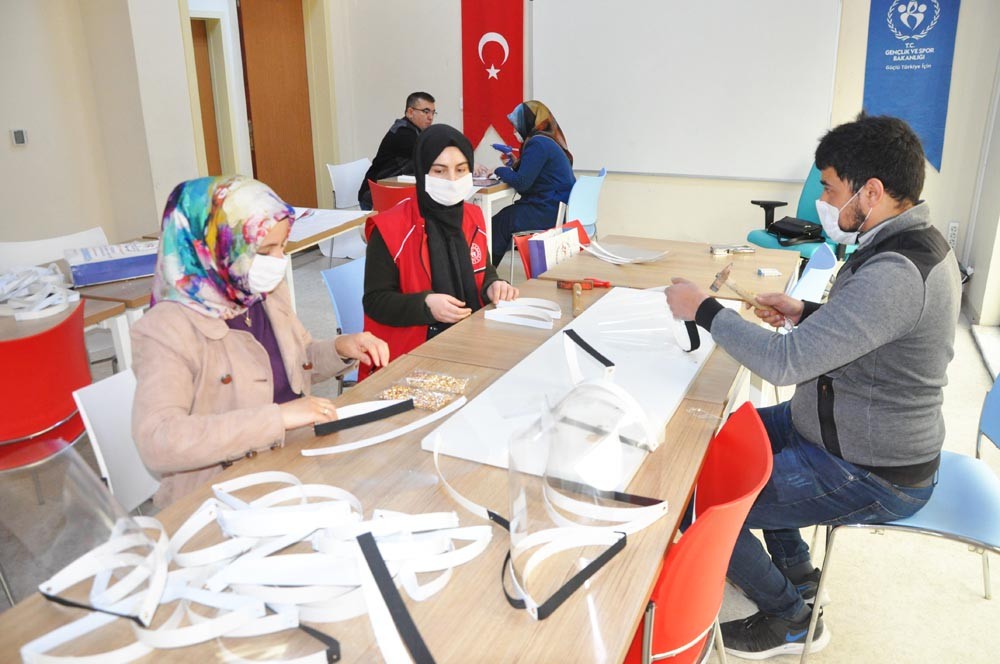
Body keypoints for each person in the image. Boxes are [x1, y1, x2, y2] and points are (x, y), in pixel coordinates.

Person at [666, 114, 961, 659]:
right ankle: (798, 575)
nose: (822, 200)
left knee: (700, 501)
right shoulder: (904, 240)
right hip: (836, 426)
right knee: (720, 446)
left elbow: (783, 364)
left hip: (873, 467)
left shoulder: (897, 270)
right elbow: (872, 325)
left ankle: (791, 619)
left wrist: (704, 309)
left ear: (871, 192)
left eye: (829, 188)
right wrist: (807, 311)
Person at [131, 176, 389, 507]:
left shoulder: (260, 291)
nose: (278, 260)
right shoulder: (168, 327)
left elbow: (298, 360)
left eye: (282, 247)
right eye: (265, 250)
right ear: (216, 247)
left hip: (292, 462)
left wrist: (340, 348)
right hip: (221, 495)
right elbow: (159, 441)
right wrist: (277, 419)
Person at [362, 124, 518, 378]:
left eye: (461, 170)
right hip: (415, 352)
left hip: (472, 339)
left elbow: (484, 268)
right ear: (422, 171)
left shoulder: (473, 216)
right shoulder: (390, 228)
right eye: (439, 171)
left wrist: (493, 285)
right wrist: (426, 305)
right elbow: (375, 301)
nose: (452, 180)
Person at [487, 100, 576, 266]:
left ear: (528, 122)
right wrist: (515, 164)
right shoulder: (548, 140)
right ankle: (488, 273)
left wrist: (498, 170)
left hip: (546, 211)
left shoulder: (537, 143)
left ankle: (485, 275)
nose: (514, 131)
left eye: (516, 126)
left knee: (499, 224)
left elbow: (522, 183)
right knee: (504, 218)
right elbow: (535, 176)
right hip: (556, 208)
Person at [358, 92, 436, 210]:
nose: (430, 117)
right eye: (426, 111)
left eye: (433, 112)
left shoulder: (418, 131)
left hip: (396, 194)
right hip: (375, 197)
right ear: (410, 112)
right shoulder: (403, 133)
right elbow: (433, 157)